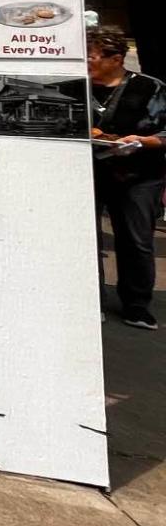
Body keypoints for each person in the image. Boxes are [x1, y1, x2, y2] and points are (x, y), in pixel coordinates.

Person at [88, 25, 166, 330]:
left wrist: (141, 142)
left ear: (116, 58)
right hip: (90, 171)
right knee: (86, 238)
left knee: (136, 239)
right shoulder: (77, 87)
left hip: (139, 174)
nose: (87, 62)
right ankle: (91, 299)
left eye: (93, 56)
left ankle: (136, 303)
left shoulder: (150, 87)